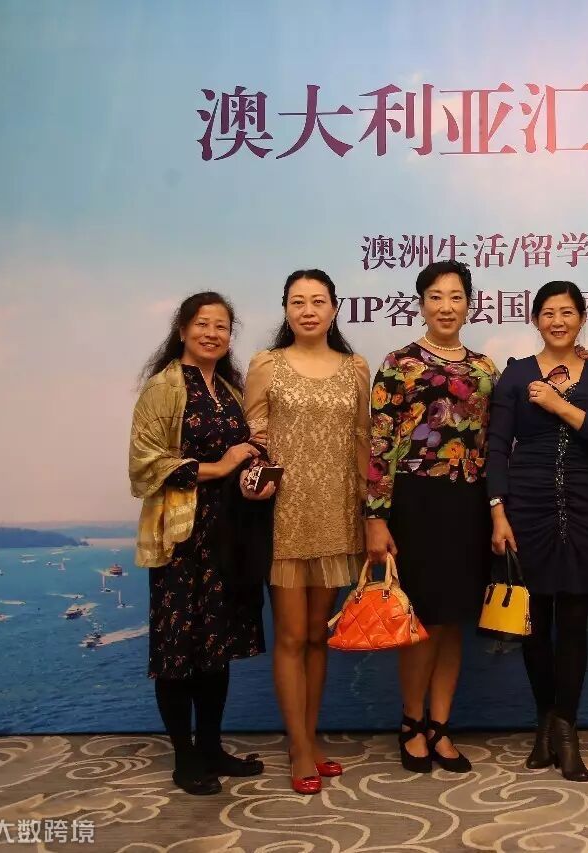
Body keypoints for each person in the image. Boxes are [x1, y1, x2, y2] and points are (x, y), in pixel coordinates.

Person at [129, 292, 269, 796]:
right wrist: (221, 466)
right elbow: (144, 467)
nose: (212, 333)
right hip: (181, 538)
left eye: (222, 326)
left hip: (228, 535)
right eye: (203, 324)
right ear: (183, 329)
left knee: (216, 648)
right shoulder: (163, 388)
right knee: (177, 651)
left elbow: (246, 453)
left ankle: (211, 747)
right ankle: (184, 757)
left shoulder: (230, 391)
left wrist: (254, 473)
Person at [487, 281, 588, 782]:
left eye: (567, 312)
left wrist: (559, 404)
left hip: (584, 507)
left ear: (582, 318)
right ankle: (545, 721)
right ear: (535, 320)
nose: (558, 321)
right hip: (527, 507)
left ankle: (566, 729)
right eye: (548, 313)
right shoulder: (516, 374)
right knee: (534, 625)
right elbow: (496, 446)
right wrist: (498, 512)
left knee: (573, 623)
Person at [365, 260, 498, 774]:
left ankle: (441, 726)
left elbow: (493, 443)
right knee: (420, 620)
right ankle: (411, 722)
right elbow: (380, 444)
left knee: (452, 621)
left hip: (468, 503)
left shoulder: (485, 369)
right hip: (415, 503)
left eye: (456, 296)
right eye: (436, 296)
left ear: (469, 304)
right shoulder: (399, 363)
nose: (446, 306)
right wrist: (376, 517)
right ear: (421, 304)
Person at [244, 269, 370, 795]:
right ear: (286, 310)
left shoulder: (355, 367)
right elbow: (253, 439)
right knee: (292, 637)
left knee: (320, 636)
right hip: (285, 517)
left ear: (335, 308)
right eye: (298, 302)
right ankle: (297, 746)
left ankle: (311, 737)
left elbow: (363, 442)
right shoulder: (266, 364)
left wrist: (371, 511)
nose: (308, 310)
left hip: (339, 515)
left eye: (318, 301)